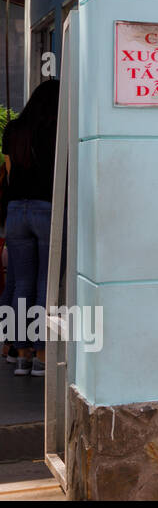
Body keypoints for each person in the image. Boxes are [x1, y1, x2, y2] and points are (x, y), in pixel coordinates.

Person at [1, 80, 58, 377]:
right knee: (44, 285)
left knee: (21, 284)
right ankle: (41, 354)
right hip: (46, 209)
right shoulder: (57, 128)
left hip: (15, 211)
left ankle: (19, 353)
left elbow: (9, 174)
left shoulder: (15, 130)